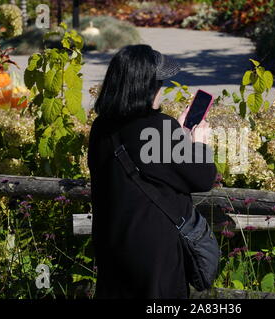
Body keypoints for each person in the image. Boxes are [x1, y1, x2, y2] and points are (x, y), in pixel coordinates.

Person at [87, 44, 217, 299]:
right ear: (146, 86)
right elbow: (203, 178)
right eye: (160, 83)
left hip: (111, 244)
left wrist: (176, 136)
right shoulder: (159, 127)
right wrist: (199, 143)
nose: (163, 89)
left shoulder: (101, 127)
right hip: (155, 250)